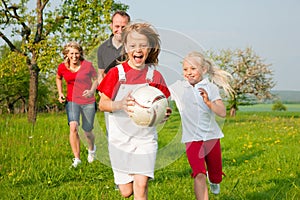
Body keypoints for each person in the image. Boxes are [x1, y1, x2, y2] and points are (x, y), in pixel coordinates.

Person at [97, 22, 171, 199]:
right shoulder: (116, 74)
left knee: (141, 184)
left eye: (143, 45)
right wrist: (120, 104)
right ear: (126, 48)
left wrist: (163, 114)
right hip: (119, 141)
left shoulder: (154, 76)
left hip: (145, 139)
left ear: (149, 48)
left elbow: (164, 105)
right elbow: (102, 104)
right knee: (126, 192)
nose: (138, 49)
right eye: (133, 45)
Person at [169, 51, 234, 200]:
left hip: (211, 138)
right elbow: (161, 94)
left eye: (193, 69)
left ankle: (215, 180)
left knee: (216, 176)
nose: (189, 73)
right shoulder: (178, 87)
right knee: (199, 174)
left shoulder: (210, 88)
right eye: (185, 69)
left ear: (203, 70)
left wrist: (209, 103)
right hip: (192, 139)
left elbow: (223, 112)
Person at [56, 42, 98, 168]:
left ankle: (91, 149)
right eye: (71, 54)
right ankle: (77, 159)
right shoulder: (62, 67)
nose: (74, 56)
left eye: (77, 53)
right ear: (67, 55)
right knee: (73, 127)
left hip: (88, 101)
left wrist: (91, 91)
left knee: (87, 131)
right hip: (72, 100)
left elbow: (96, 79)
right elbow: (58, 77)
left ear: (80, 54)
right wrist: (60, 93)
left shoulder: (87, 66)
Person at [97, 10, 131, 82]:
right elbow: (101, 75)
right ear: (111, 26)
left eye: (123, 27)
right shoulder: (102, 49)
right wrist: (102, 92)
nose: (120, 30)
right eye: (117, 26)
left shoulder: (134, 48)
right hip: (109, 92)